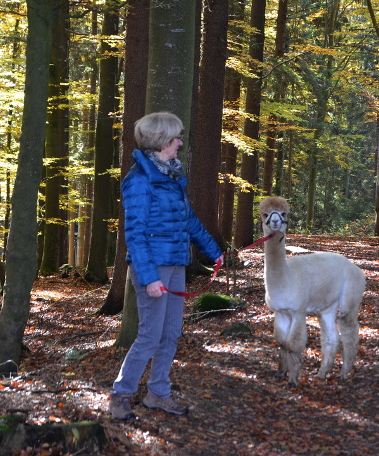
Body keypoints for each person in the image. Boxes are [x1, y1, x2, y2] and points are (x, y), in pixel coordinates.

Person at [108, 112, 223, 420]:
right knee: (149, 336)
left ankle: (158, 393)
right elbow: (135, 233)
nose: (180, 142)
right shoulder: (139, 180)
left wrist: (214, 252)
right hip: (153, 270)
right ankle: (121, 395)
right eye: (176, 138)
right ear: (162, 142)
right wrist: (148, 279)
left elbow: (189, 221)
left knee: (170, 334)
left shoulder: (171, 177)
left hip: (175, 265)